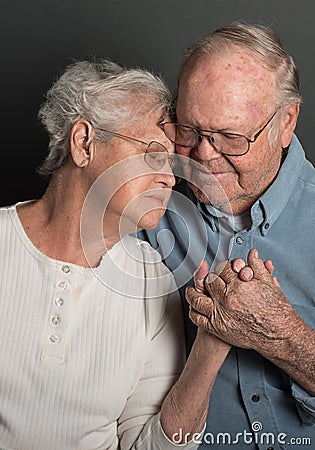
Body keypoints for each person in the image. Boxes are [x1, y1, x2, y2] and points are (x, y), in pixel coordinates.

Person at [0, 58, 232, 449]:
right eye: (155, 154)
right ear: (84, 143)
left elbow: (150, 444)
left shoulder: (154, 281)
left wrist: (211, 348)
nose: (172, 176)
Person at [142, 22, 315, 449]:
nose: (203, 154)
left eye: (231, 138)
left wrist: (281, 332)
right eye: (190, 130)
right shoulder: (148, 207)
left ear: (286, 122)